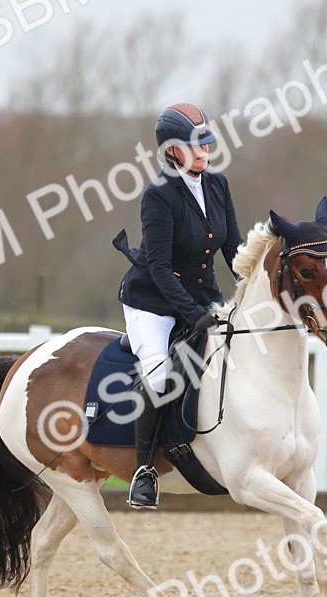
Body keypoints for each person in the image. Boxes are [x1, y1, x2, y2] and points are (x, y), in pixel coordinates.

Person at [112, 103, 244, 509]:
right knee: (158, 376)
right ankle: (144, 471)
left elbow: (234, 250)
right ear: (172, 151)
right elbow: (160, 266)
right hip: (153, 302)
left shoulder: (218, 185)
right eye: (194, 146)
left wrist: (253, 290)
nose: (204, 152)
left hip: (203, 298)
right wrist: (192, 314)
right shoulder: (159, 195)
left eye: (206, 144)